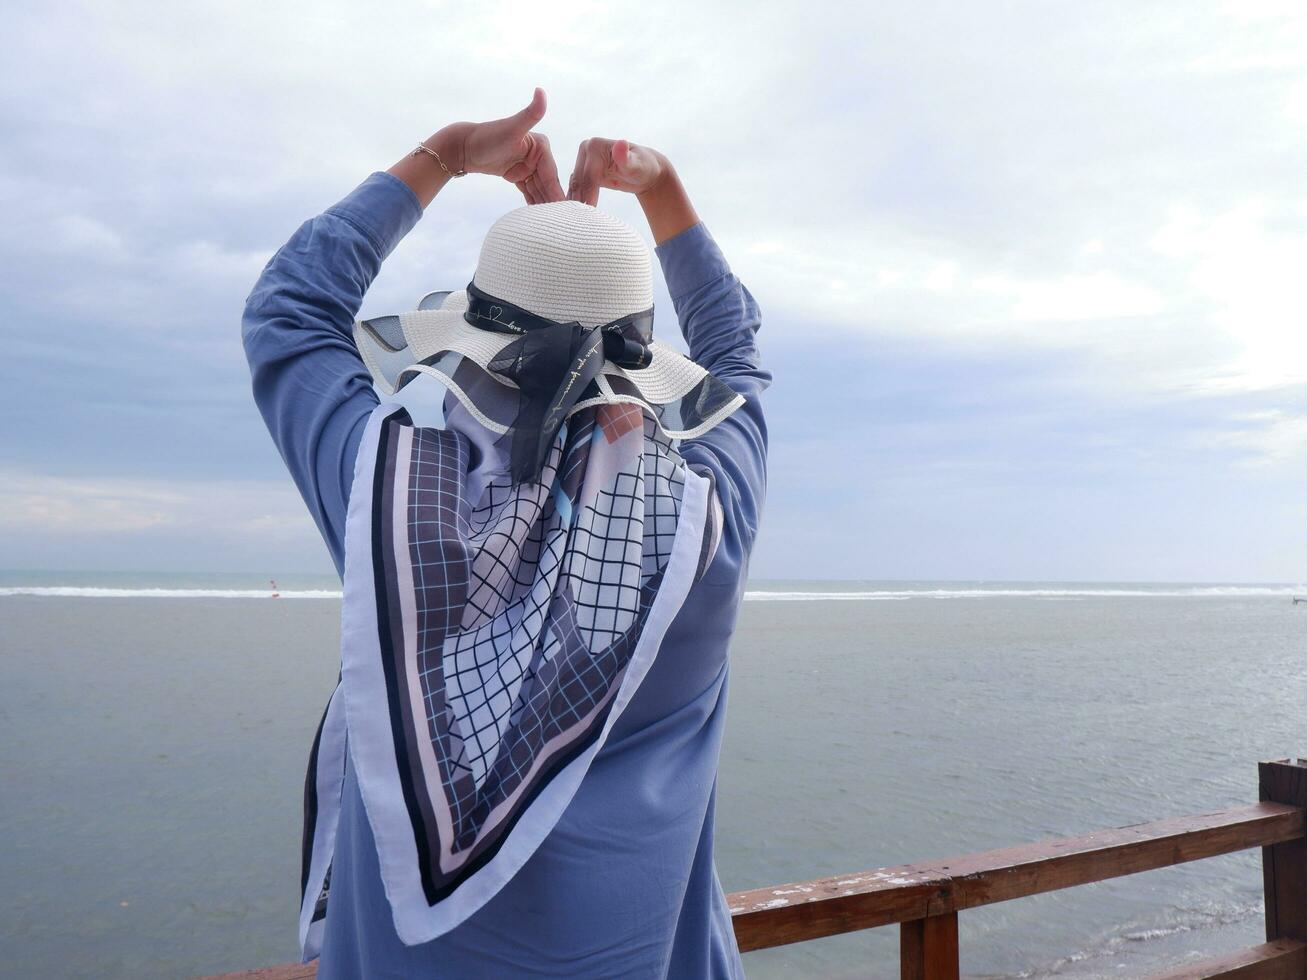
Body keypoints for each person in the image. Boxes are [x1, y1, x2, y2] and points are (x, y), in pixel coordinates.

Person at [242, 88, 769, 979]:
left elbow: (290, 309)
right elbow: (737, 351)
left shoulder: (385, 499)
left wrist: (441, 158)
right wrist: (661, 190)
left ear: (470, 344)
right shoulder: (705, 526)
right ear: (643, 361)